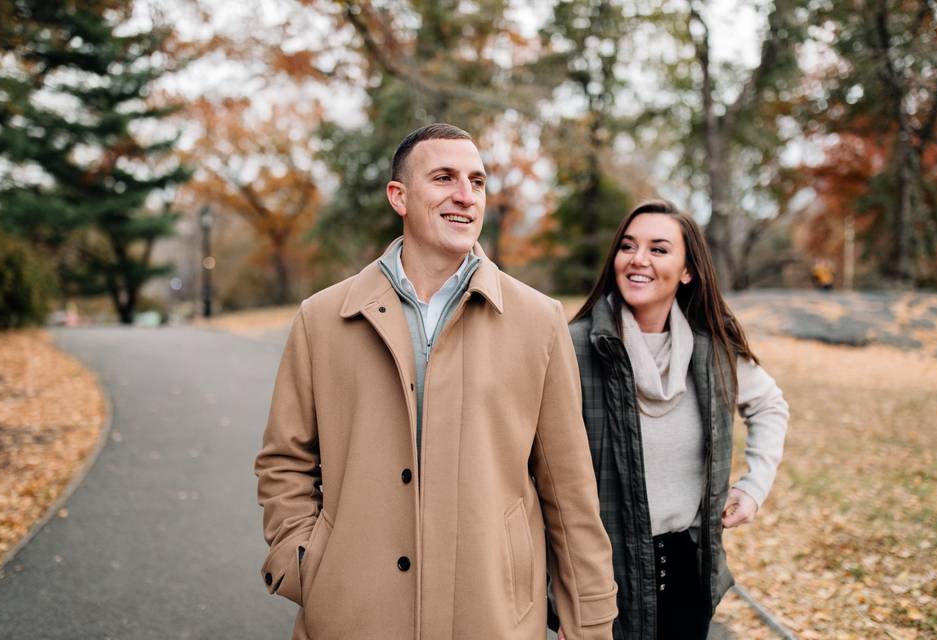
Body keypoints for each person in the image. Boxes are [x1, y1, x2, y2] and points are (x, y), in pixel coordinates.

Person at [255, 123, 617, 639]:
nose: (465, 197)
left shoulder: (539, 320)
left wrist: (592, 620)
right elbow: (283, 462)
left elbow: (570, 489)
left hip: (492, 616)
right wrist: (304, 564)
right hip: (351, 617)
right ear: (398, 197)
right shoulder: (322, 319)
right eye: (444, 178)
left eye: (477, 182)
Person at [568, 199, 789, 639]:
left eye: (659, 249)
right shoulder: (573, 350)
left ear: (688, 271)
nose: (639, 259)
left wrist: (754, 487)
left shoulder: (715, 351)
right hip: (601, 579)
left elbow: (769, 405)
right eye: (628, 246)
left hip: (690, 574)